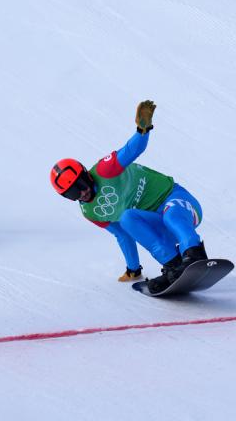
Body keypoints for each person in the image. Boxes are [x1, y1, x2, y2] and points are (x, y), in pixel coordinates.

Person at [50, 100, 207, 293]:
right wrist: (133, 269)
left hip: (179, 203)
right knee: (127, 219)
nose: (82, 192)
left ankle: (194, 253)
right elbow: (123, 235)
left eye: (80, 185)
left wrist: (143, 128)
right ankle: (173, 265)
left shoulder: (105, 170)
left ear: (86, 174)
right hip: (159, 223)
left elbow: (133, 150)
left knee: (171, 215)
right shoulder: (90, 212)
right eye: (73, 193)